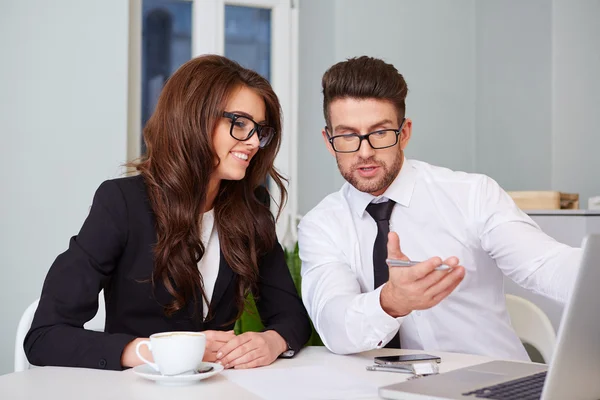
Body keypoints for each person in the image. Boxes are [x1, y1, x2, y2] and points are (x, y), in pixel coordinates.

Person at [25, 55, 311, 371]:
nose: (255, 141)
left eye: (260, 129)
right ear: (194, 118)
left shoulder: (251, 206)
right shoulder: (122, 202)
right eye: (240, 123)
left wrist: (271, 342)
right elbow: (45, 336)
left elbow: (291, 316)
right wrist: (155, 351)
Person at [298, 56, 581, 361]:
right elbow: (332, 322)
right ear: (329, 141)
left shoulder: (472, 195)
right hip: (376, 389)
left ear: (404, 133)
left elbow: (544, 265)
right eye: (348, 136)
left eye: (380, 133)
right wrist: (390, 302)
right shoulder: (322, 224)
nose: (365, 152)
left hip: (487, 385)